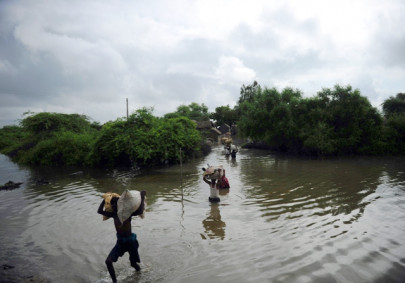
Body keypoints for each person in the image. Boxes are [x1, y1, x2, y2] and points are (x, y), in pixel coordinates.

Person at [97, 191, 146, 283]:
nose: (115, 207)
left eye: (116, 205)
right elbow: (99, 211)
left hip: (131, 242)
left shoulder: (127, 214)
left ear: (120, 205)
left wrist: (142, 197)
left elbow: (140, 211)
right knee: (108, 261)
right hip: (120, 242)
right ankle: (115, 281)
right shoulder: (113, 215)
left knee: (133, 264)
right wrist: (105, 200)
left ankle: (139, 275)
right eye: (113, 206)